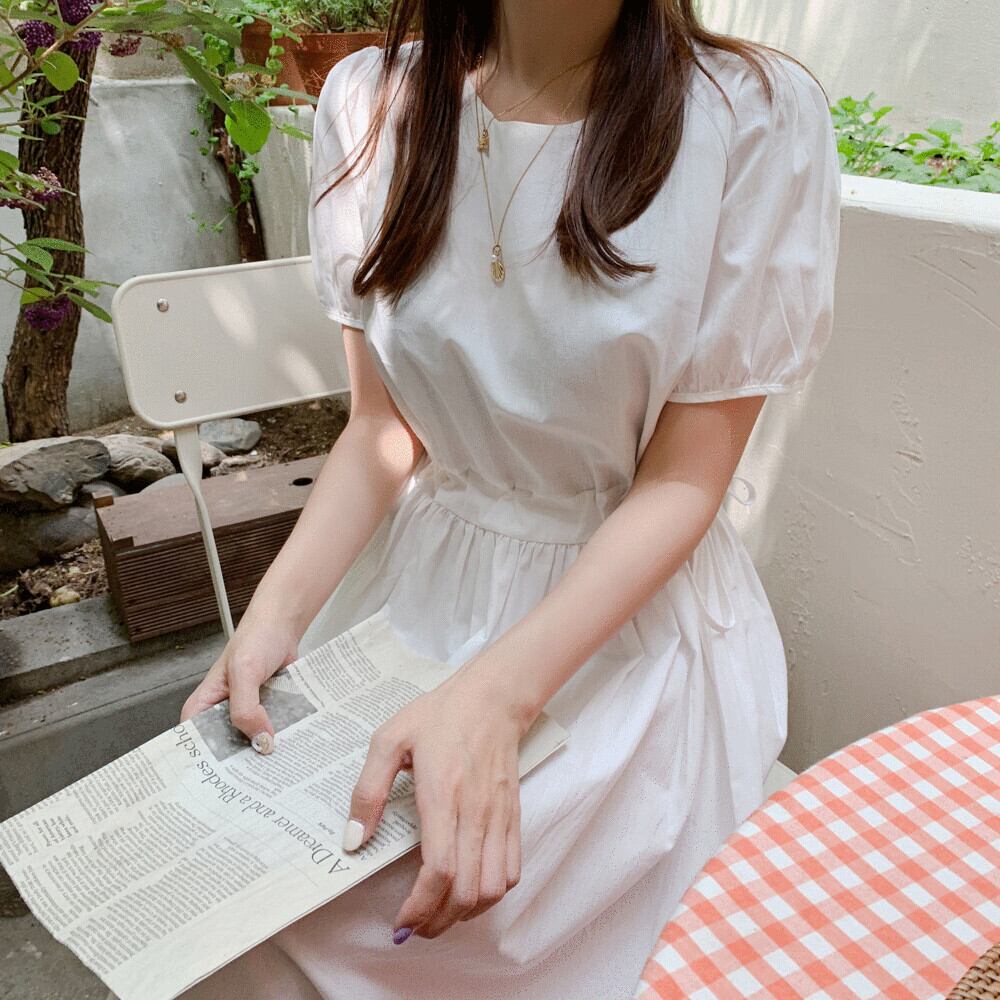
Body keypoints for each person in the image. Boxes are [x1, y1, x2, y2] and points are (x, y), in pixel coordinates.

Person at [178, 0, 841, 996]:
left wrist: (492, 700)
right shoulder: (368, 101)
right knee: (253, 903)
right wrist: (270, 621)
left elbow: (683, 480)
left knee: (492, 920)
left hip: (621, 629)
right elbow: (382, 430)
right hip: (413, 593)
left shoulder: (750, 115)